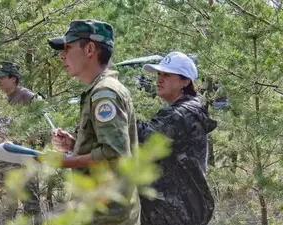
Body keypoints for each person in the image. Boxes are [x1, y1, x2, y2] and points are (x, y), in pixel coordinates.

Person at [47, 19, 141, 225]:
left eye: (68, 47)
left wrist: (64, 161)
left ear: (90, 49)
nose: (62, 55)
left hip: (106, 214)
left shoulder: (104, 93)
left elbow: (114, 153)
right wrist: (75, 145)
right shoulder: (101, 90)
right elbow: (108, 145)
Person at [136, 52, 217, 225]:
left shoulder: (182, 114)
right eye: (158, 74)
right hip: (173, 211)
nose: (159, 79)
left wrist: (116, 115)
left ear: (185, 81)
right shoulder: (183, 111)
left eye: (167, 74)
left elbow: (145, 139)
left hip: (174, 213)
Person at [0, 61, 41, 223]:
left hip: (23, 158)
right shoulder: (2, 100)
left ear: (14, 78)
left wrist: (20, 137)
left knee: (30, 206)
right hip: (4, 158)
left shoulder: (27, 97)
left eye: (2, 77)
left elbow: (39, 131)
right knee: (7, 205)